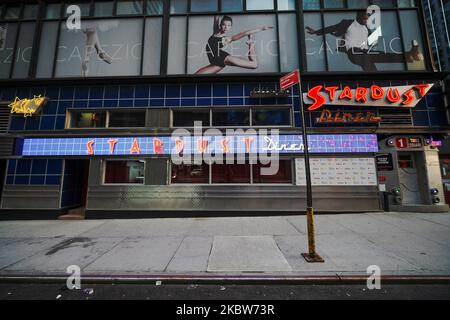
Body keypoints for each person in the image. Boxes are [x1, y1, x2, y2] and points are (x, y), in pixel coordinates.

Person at [305, 10, 424, 72]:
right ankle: (408, 56)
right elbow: (332, 28)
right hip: (354, 53)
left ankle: (409, 56)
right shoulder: (348, 23)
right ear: (358, 16)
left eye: (367, 18)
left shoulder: (367, 29)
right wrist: (316, 32)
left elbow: (373, 41)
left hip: (366, 54)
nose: (365, 20)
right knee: (372, 55)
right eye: (364, 18)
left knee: (377, 61)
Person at [195, 16, 273, 74]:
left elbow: (244, 33)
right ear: (220, 25)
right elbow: (216, 15)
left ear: (230, 27)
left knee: (254, 65)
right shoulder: (215, 32)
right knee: (196, 75)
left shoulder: (228, 38)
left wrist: (261, 29)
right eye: (224, 25)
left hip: (223, 58)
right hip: (215, 63)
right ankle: (250, 42)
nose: (226, 27)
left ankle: (251, 43)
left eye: (228, 25)